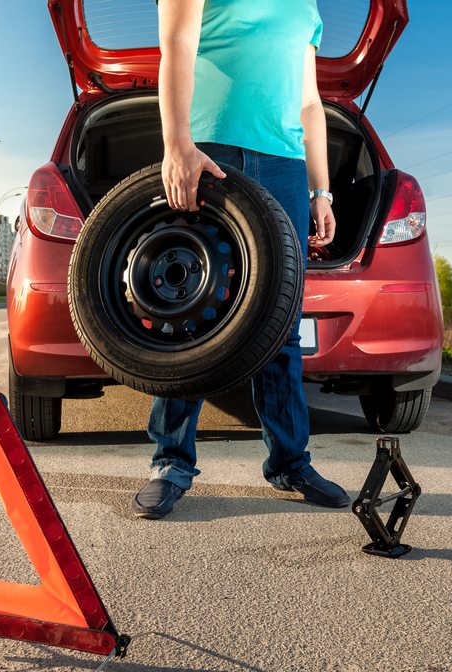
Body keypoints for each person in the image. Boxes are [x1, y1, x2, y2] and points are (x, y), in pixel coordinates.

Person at [133, 0, 351, 519]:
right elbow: (178, 46)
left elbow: (309, 103)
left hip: (284, 166)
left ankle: (290, 463)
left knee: (280, 323)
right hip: (210, 150)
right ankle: (171, 462)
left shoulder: (308, 9)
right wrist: (177, 145)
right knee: (187, 316)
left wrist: (321, 189)